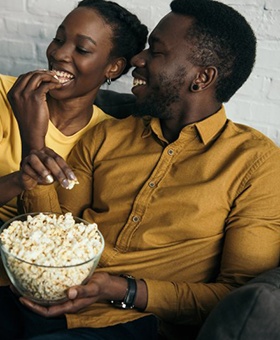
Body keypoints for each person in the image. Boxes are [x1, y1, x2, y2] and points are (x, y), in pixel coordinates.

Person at [1, 0, 280, 339]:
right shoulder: (107, 136)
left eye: (156, 52)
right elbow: (53, 232)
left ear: (202, 78)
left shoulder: (255, 163)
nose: (136, 60)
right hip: (42, 299)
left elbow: (237, 294)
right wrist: (36, 149)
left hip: (129, 323)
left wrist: (123, 289)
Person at [0, 0, 148, 223]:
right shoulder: (4, 92)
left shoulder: (108, 136)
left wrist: (33, 143)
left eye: (82, 49)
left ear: (113, 67)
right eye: (58, 40)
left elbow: (56, 234)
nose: (59, 54)